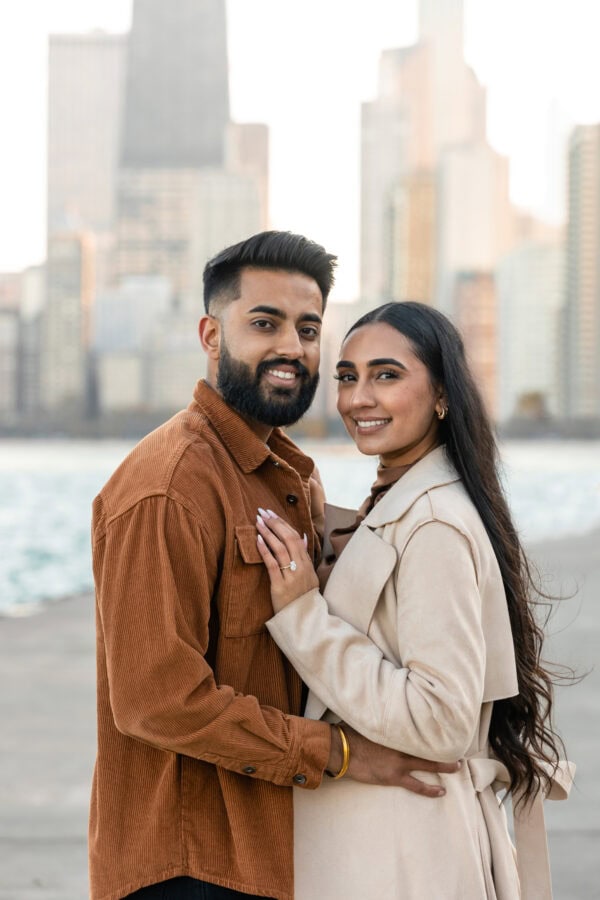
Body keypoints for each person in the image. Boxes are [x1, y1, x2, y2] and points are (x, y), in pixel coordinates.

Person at [89, 235, 460, 900]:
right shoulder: (169, 487)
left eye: (308, 328)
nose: (291, 347)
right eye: (264, 324)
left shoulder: (290, 476)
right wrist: (336, 754)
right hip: (189, 865)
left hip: (273, 853)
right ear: (211, 334)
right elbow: (154, 699)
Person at [256, 300, 574, 900]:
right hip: (388, 840)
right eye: (347, 377)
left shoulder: (434, 525)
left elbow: (440, 718)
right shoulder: (411, 502)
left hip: (400, 850)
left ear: (442, 396)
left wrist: (302, 616)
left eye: (386, 375)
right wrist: (331, 533)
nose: (357, 399)